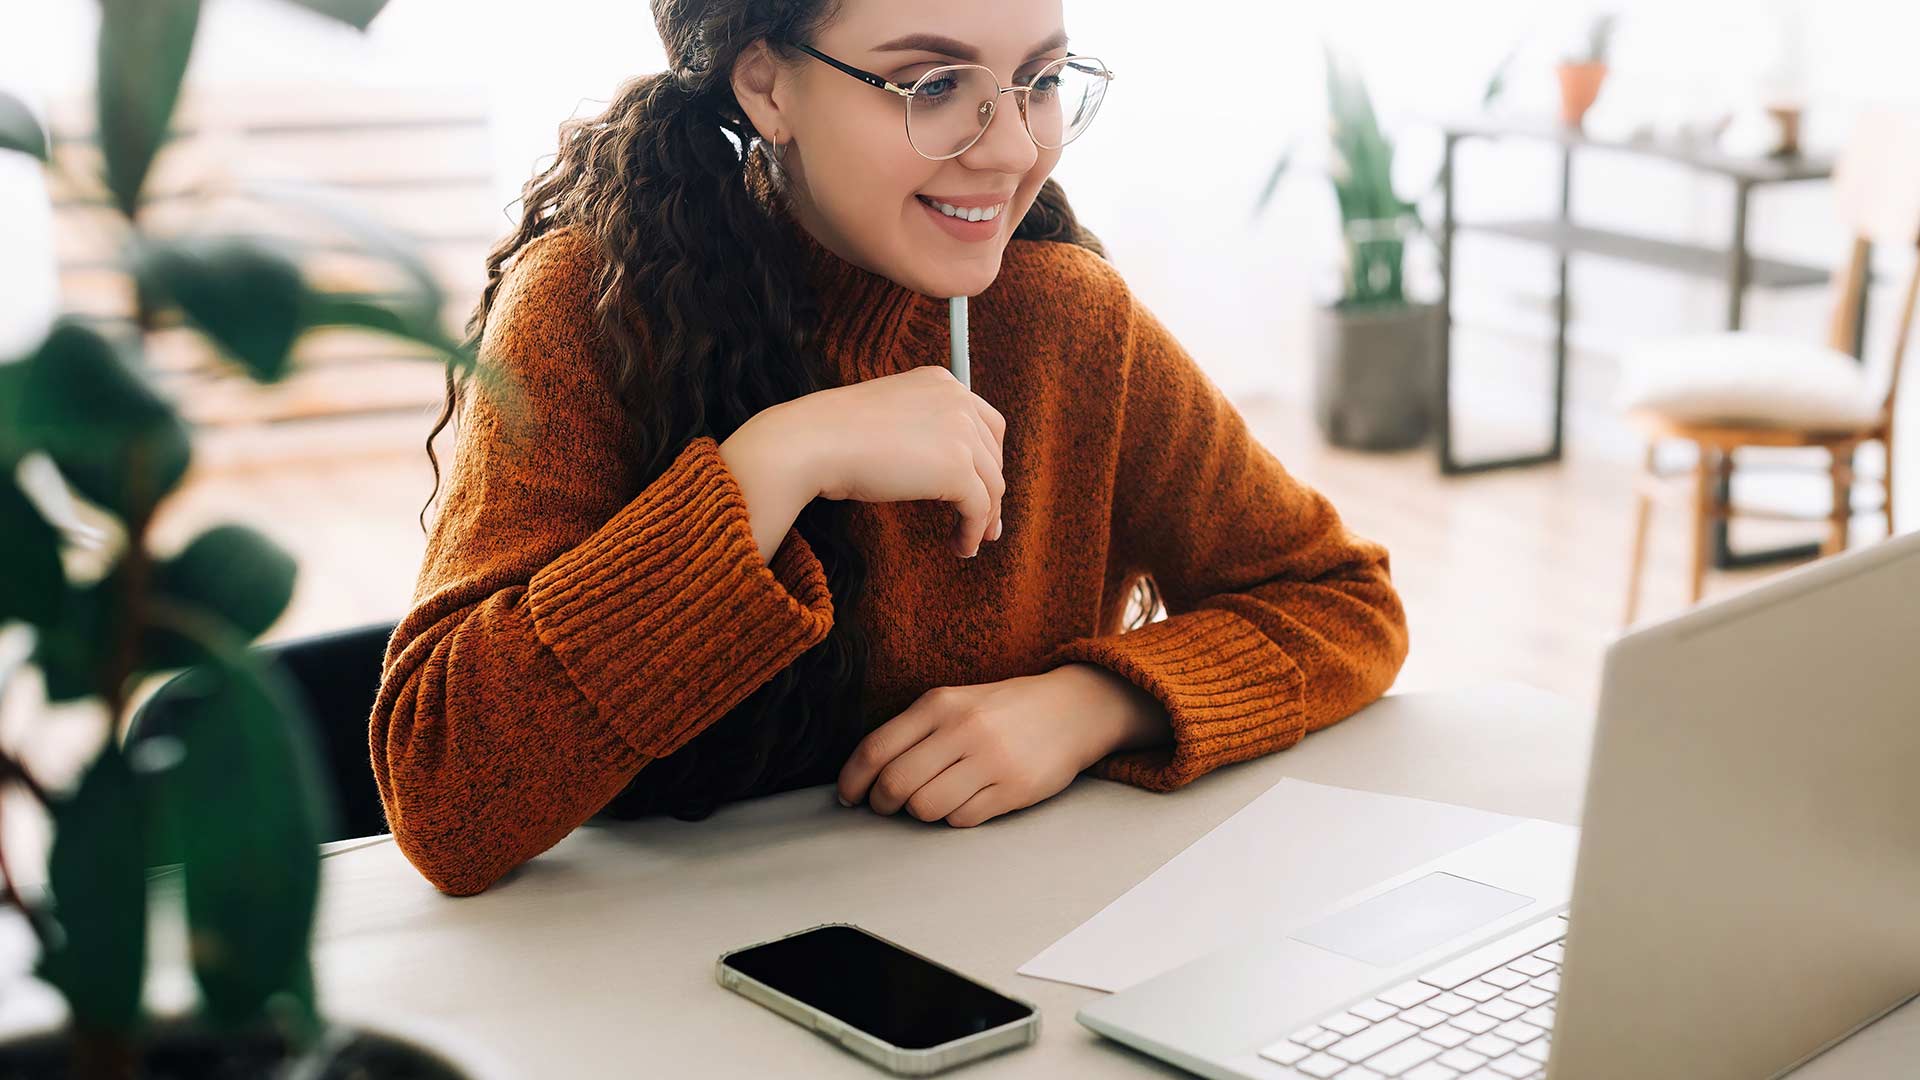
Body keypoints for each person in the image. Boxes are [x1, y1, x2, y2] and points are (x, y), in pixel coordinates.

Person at [371, 0, 1410, 897]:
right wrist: (768, 469)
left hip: (996, 959)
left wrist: (1097, 704)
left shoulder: (1068, 320)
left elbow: (1343, 600)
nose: (1010, 149)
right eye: (933, 82)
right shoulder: (591, 310)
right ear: (768, 85)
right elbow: (446, 799)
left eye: (1039, 80)